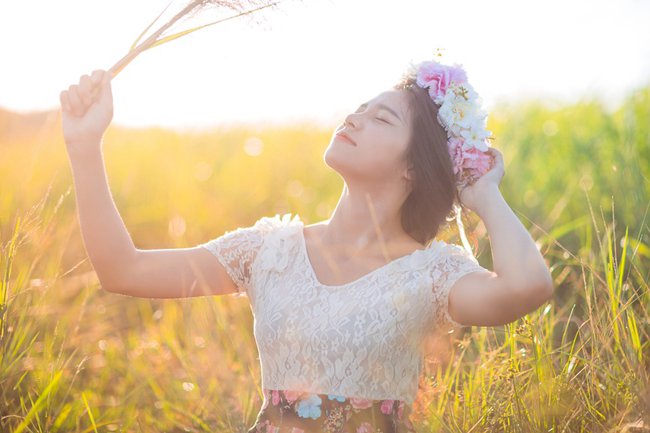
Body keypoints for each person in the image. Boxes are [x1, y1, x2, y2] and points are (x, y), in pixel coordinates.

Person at [59, 60, 554, 433]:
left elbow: (527, 287)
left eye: (381, 119)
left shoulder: (430, 273)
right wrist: (84, 146)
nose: (354, 119)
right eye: (358, 109)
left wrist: (483, 193)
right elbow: (122, 271)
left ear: (413, 168)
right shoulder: (267, 251)